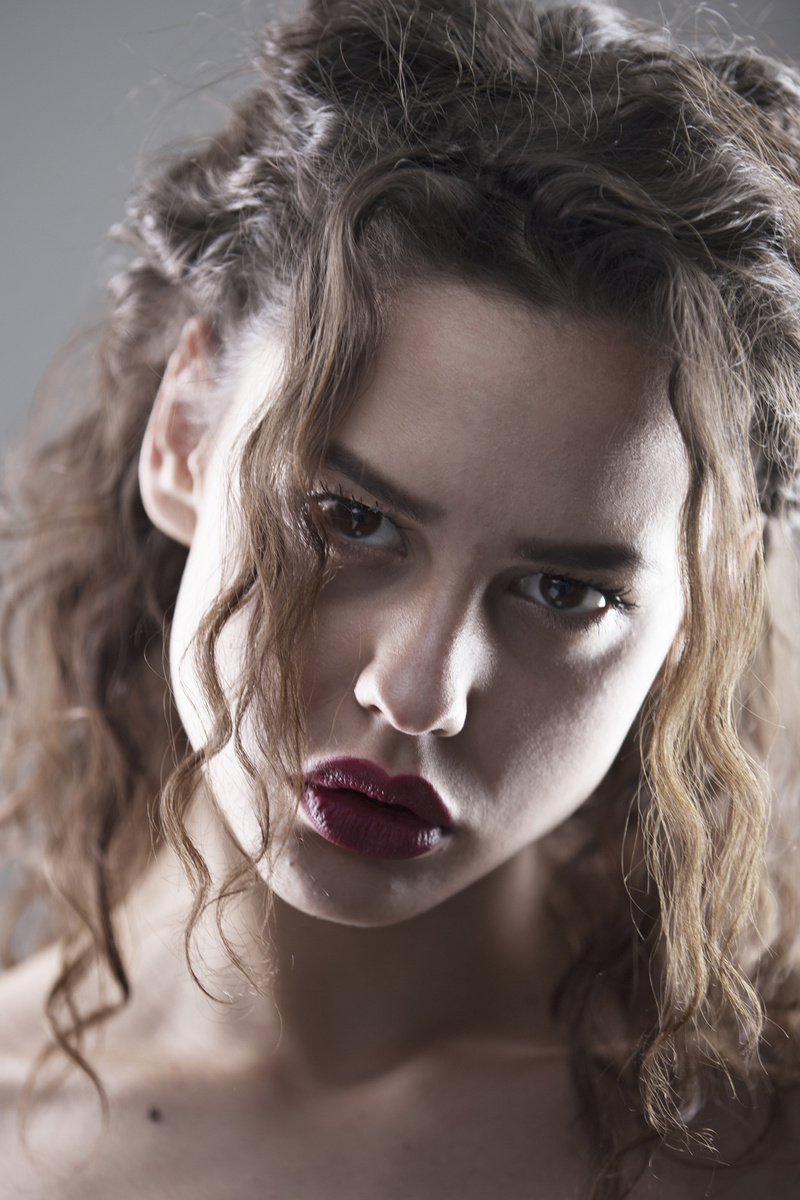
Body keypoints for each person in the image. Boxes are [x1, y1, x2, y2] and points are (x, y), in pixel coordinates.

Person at [0, 0, 799, 1195]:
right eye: (348, 520)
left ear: (708, 593)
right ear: (182, 433)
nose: (418, 692)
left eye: (560, 591)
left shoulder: (753, 1140)